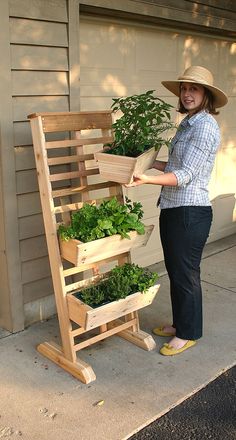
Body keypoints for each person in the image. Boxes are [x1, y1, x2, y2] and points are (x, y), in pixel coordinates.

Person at [126, 65, 228, 356]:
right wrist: (145, 164)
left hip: (189, 213)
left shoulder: (205, 125)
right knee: (176, 271)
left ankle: (188, 333)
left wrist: (147, 179)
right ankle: (179, 323)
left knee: (185, 274)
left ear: (206, 95)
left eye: (193, 89)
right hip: (174, 208)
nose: (186, 93)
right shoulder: (187, 123)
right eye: (184, 88)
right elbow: (172, 166)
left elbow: (185, 175)